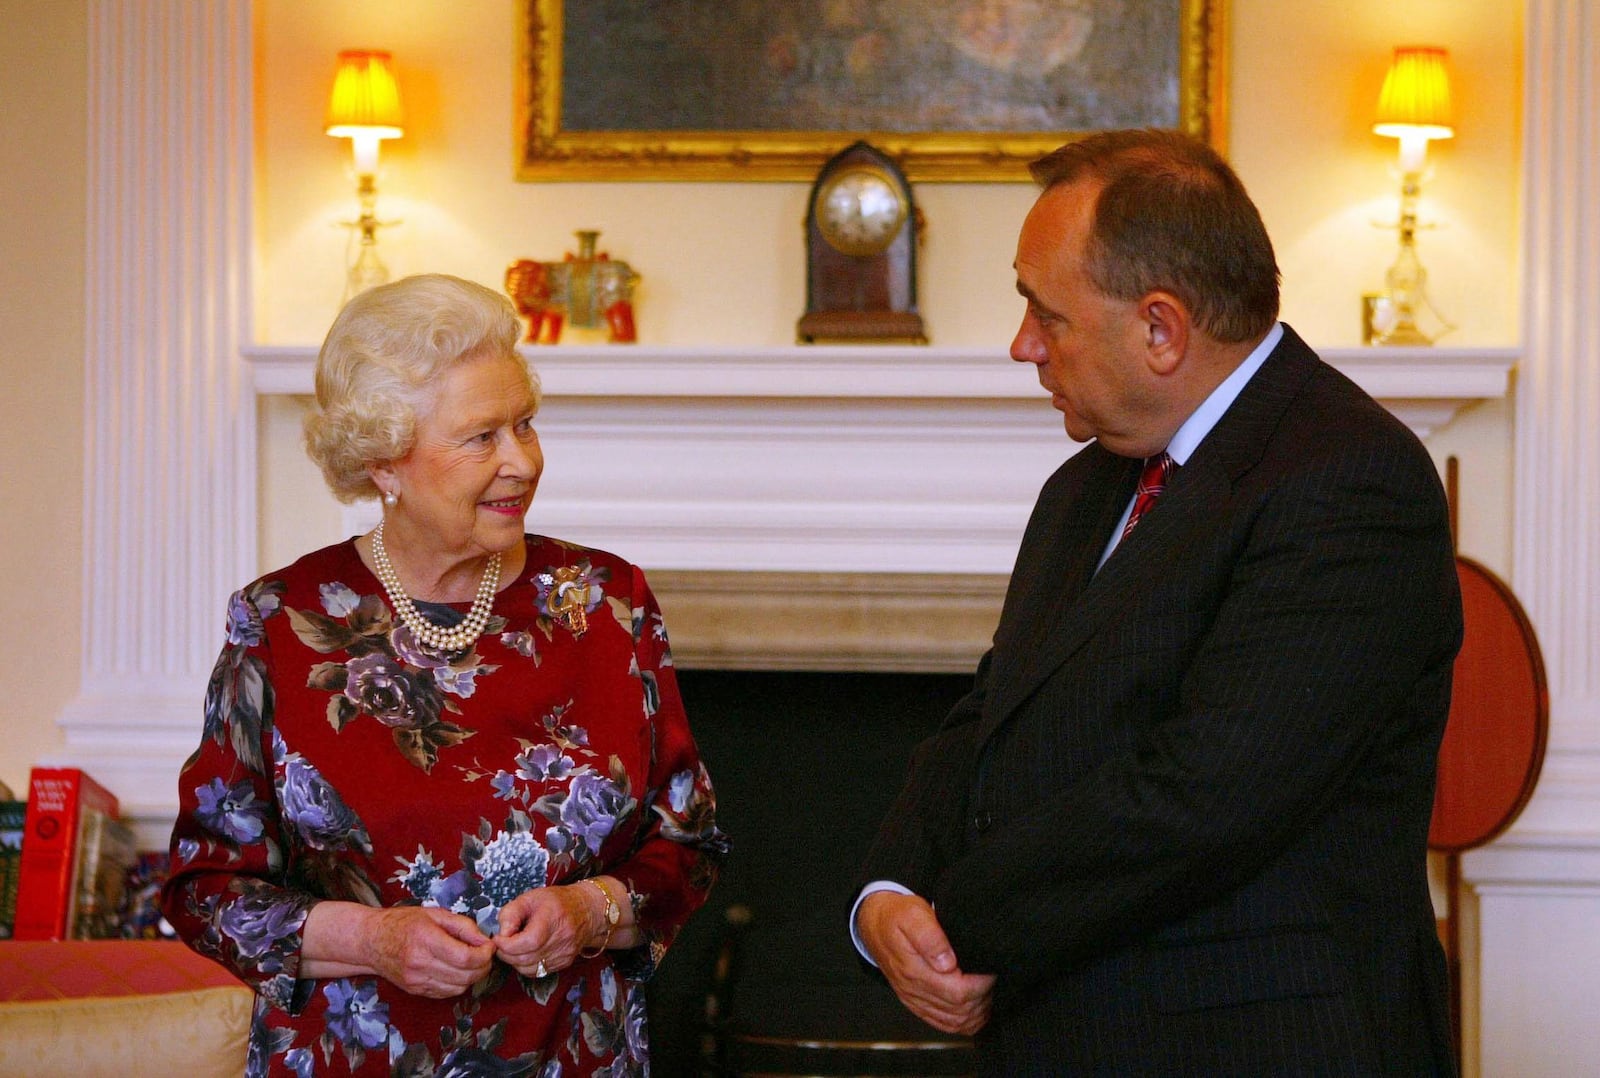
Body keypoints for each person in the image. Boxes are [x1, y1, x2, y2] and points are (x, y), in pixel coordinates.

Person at [851, 129, 1462, 1074]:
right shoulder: (1087, 485)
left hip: (1258, 1045)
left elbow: (1205, 796)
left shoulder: (1352, 478)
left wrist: (954, 921)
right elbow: (993, 715)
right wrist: (888, 895)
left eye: (1043, 314)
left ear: (1161, 328)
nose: (1022, 347)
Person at [163, 273, 727, 1076]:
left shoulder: (607, 604)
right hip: (352, 1058)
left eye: (525, 425)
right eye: (481, 437)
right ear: (384, 460)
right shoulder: (280, 622)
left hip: (572, 1053)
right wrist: (376, 940)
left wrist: (589, 910)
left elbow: (689, 844)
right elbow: (204, 888)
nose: (522, 462)